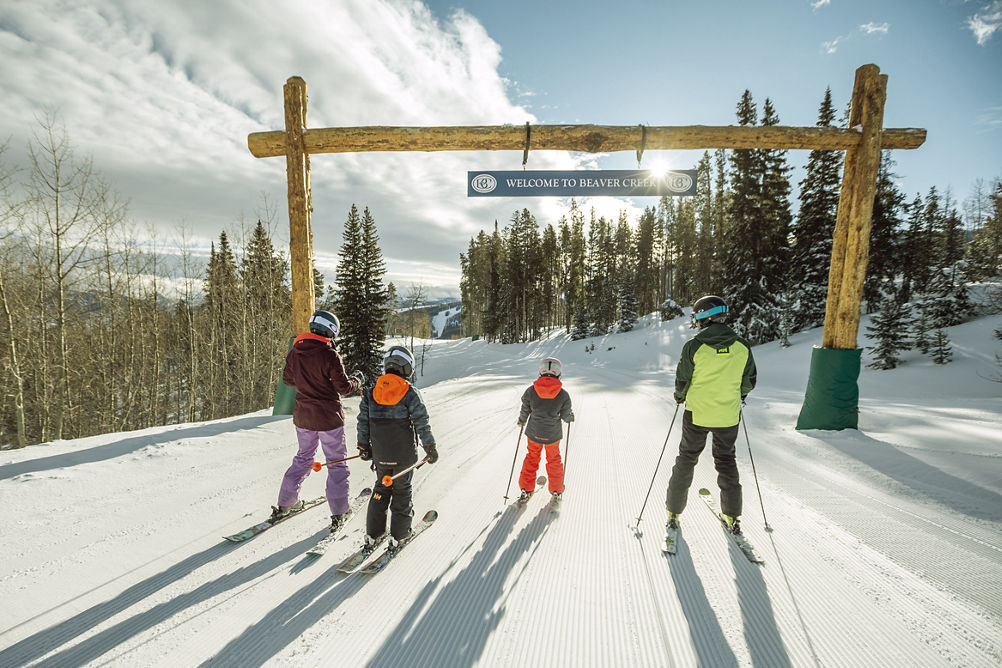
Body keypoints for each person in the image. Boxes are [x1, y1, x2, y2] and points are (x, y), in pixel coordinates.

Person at [665, 295, 757, 534]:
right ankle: (732, 515)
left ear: (704, 317)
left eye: (696, 317)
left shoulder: (694, 346)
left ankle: (673, 511)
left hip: (697, 414)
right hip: (728, 415)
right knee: (726, 461)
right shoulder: (742, 346)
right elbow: (749, 381)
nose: (695, 322)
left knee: (686, 458)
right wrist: (740, 395)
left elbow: (682, 380)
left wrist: (679, 396)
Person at [273, 309, 363, 533]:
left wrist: (306, 378)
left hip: (303, 417)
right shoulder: (329, 354)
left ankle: (286, 503)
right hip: (328, 419)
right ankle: (340, 511)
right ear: (330, 331)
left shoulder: (296, 351)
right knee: (336, 463)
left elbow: (288, 379)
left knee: (303, 458)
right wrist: (357, 380)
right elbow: (343, 388)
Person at [357, 345, 438, 553]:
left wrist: (363, 446)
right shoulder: (409, 392)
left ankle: (373, 534)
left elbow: (363, 422)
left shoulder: (371, 391)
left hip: (381, 455)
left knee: (381, 489)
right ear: (406, 368)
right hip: (404, 456)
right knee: (402, 492)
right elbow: (421, 421)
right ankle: (399, 535)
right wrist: (429, 446)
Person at [516, 357, 574, 502]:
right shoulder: (563, 394)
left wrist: (522, 421)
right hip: (552, 435)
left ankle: (526, 488)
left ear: (541, 371)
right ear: (559, 373)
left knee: (531, 458)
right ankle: (556, 490)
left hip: (534, 433)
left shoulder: (531, 391)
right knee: (554, 460)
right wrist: (569, 417)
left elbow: (525, 409)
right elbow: (566, 415)